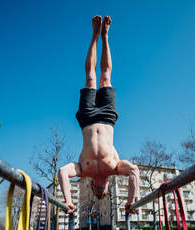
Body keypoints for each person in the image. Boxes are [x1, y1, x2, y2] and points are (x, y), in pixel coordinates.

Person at [58, 16, 140, 215]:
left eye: (98, 192)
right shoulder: (115, 168)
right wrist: (130, 202)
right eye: (103, 192)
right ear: (108, 187)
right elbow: (134, 172)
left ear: (93, 188)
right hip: (107, 118)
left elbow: (62, 171)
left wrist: (68, 202)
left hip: (86, 118)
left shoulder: (82, 171)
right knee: (105, 76)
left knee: (90, 77)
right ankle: (105, 36)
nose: (100, 190)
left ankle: (94, 36)